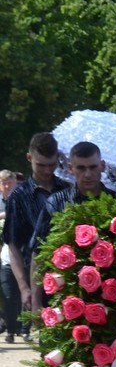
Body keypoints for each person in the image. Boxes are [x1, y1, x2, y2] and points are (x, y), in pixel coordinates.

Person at [3, 133, 69, 319]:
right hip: (38, 280)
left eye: (52, 164)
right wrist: (24, 288)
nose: (47, 170)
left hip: (70, 276)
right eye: (41, 165)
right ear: (29, 158)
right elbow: (13, 244)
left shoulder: (69, 190)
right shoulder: (18, 197)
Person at [30, 142, 116, 279]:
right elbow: (38, 251)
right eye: (81, 168)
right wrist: (35, 298)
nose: (88, 174)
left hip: (111, 284)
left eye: (93, 167)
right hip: (68, 288)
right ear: (71, 168)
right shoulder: (56, 203)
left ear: (102, 166)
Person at [0, 170, 18, 342]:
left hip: (19, 255)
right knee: (7, 295)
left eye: (9, 183)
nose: (7, 186)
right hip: (4, 257)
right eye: (4, 183)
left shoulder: (21, 200)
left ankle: (24, 328)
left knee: (18, 294)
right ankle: (10, 329)